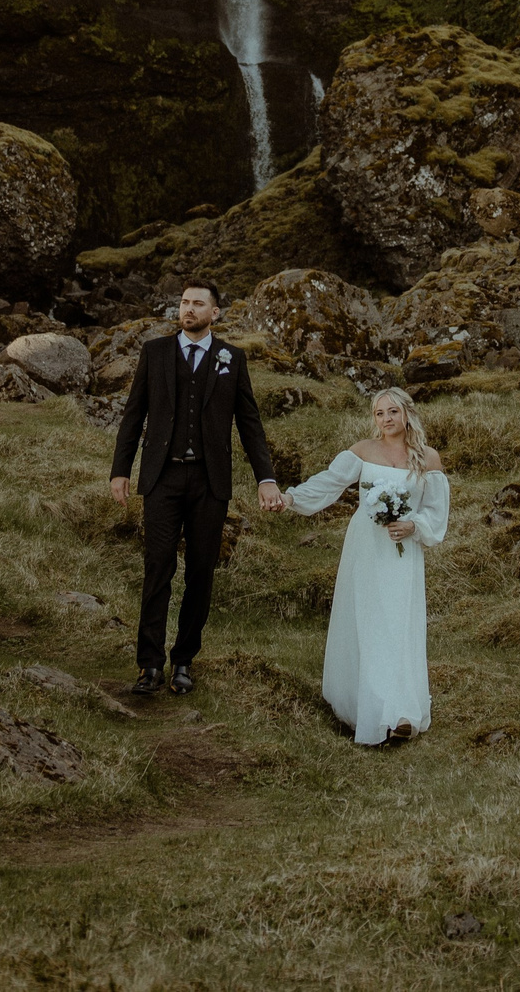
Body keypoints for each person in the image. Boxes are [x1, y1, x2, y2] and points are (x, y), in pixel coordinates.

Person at [109, 281, 284, 696]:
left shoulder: (232, 359)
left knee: (201, 573)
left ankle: (184, 660)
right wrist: (121, 470)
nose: (188, 309)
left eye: (198, 304)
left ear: (215, 313)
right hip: (162, 479)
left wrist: (266, 478)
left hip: (210, 482)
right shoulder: (154, 353)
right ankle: (149, 664)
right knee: (158, 568)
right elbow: (134, 414)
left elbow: (249, 422)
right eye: (185, 302)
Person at [276, 387, 449, 744]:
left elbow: (436, 511)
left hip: (403, 552)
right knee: (370, 622)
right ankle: (370, 708)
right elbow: (329, 483)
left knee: (399, 623)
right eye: (379, 413)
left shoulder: (428, 458)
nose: (386, 419)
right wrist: (291, 497)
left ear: (406, 414)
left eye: (392, 411)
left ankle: (401, 712)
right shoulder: (363, 451)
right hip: (366, 548)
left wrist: (413, 525)